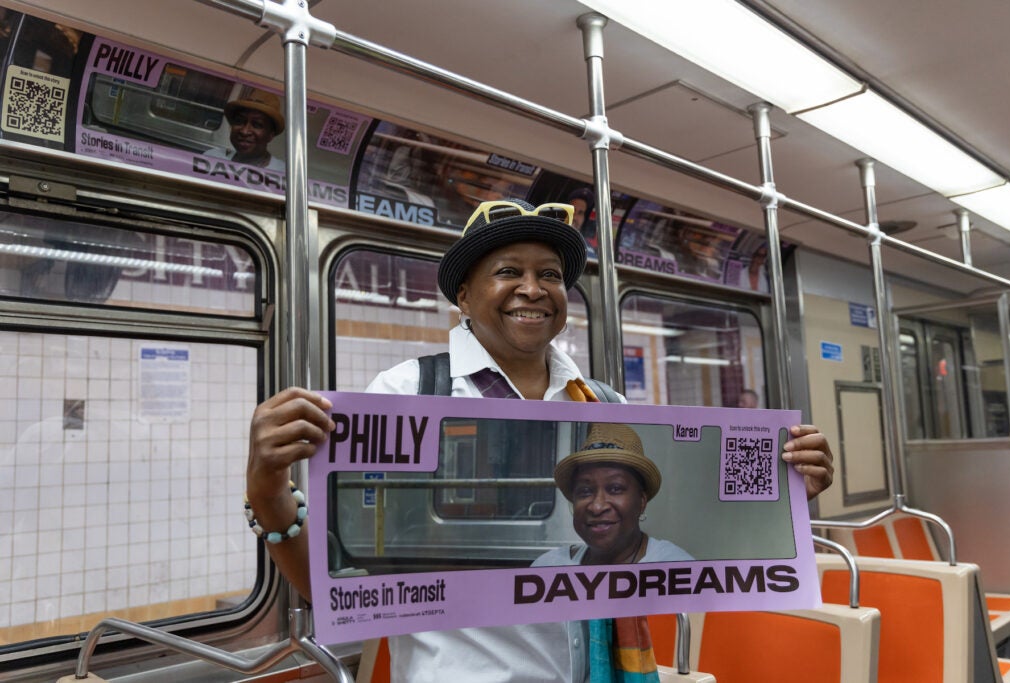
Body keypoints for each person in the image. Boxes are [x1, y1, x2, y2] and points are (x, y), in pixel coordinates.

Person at [246, 198, 836, 682]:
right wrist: (267, 486)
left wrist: (788, 493)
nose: (533, 288)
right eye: (508, 272)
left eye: (549, 275)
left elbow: (684, 553)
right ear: (464, 298)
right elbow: (332, 583)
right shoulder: (404, 393)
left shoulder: (604, 406)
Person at [535, 422, 693, 567]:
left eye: (615, 488)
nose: (597, 507)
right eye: (585, 491)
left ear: (641, 501)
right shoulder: (548, 567)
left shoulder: (676, 569)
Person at [204, 88, 285, 170]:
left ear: (271, 135)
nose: (244, 131)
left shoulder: (282, 173)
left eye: (256, 125)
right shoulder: (212, 158)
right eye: (239, 121)